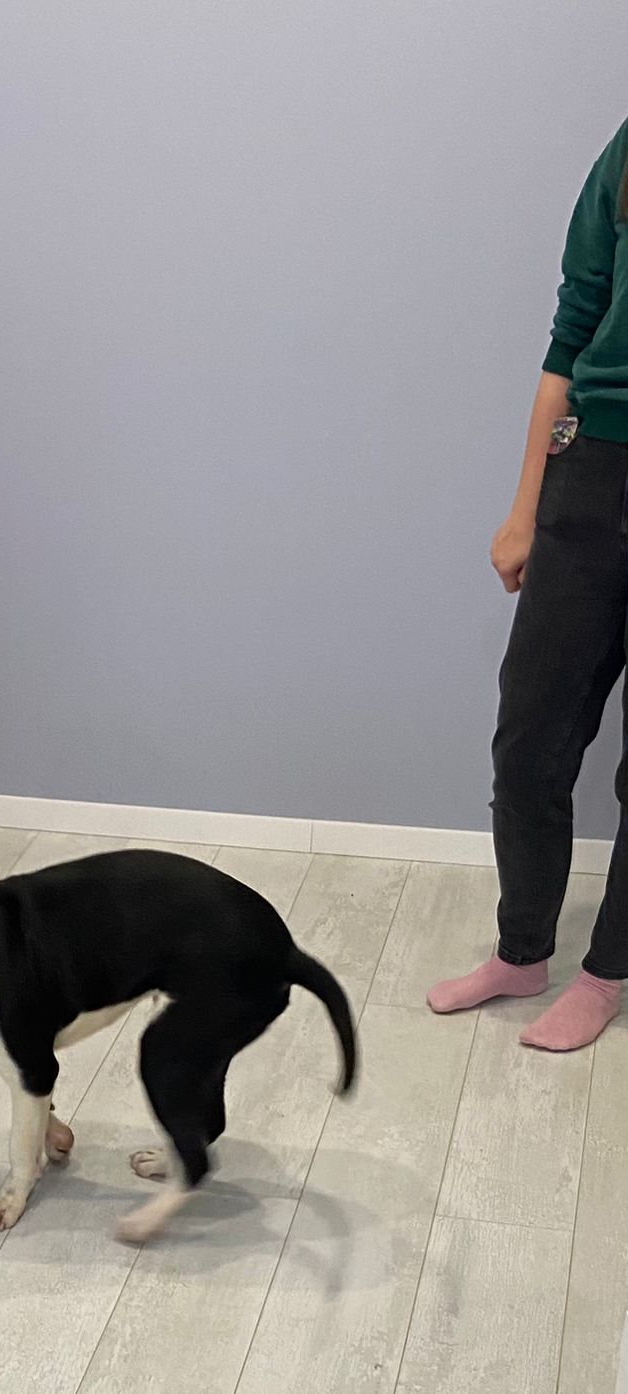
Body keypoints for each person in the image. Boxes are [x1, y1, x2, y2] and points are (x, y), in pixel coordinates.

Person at [429, 119, 628, 1051]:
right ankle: (522, 952)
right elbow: (573, 328)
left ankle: (607, 972)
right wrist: (524, 509)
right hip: (588, 472)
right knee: (530, 739)